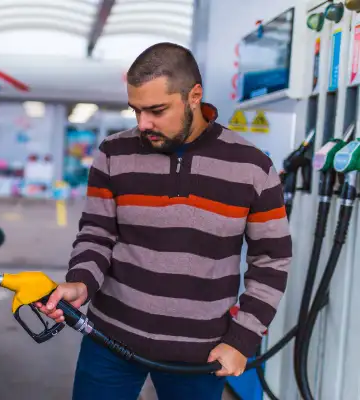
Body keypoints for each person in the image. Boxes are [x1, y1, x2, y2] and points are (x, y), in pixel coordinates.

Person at [35, 42, 292, 399]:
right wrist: (81, 283)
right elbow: (97, 233)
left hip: (200, 353)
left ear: (193, 96)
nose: (143, 124)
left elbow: (272, 260)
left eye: (156, 110)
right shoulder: (113, 153)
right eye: (136, 111)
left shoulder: (253, 168)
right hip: (108, 341)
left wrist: (242, 339)